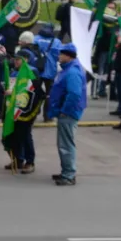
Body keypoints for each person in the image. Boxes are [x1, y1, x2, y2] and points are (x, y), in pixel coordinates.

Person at [48, 43, 85, 186]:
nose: (59, 56)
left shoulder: (72, 72)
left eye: (61, 54)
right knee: (63, 143)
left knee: (66, 144)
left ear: (67, 55)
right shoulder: (68, 69)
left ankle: (69, 175)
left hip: (68, 113)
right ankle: (66, 171)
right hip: (65, 112)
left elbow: (74, 94)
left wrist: (64, 110)